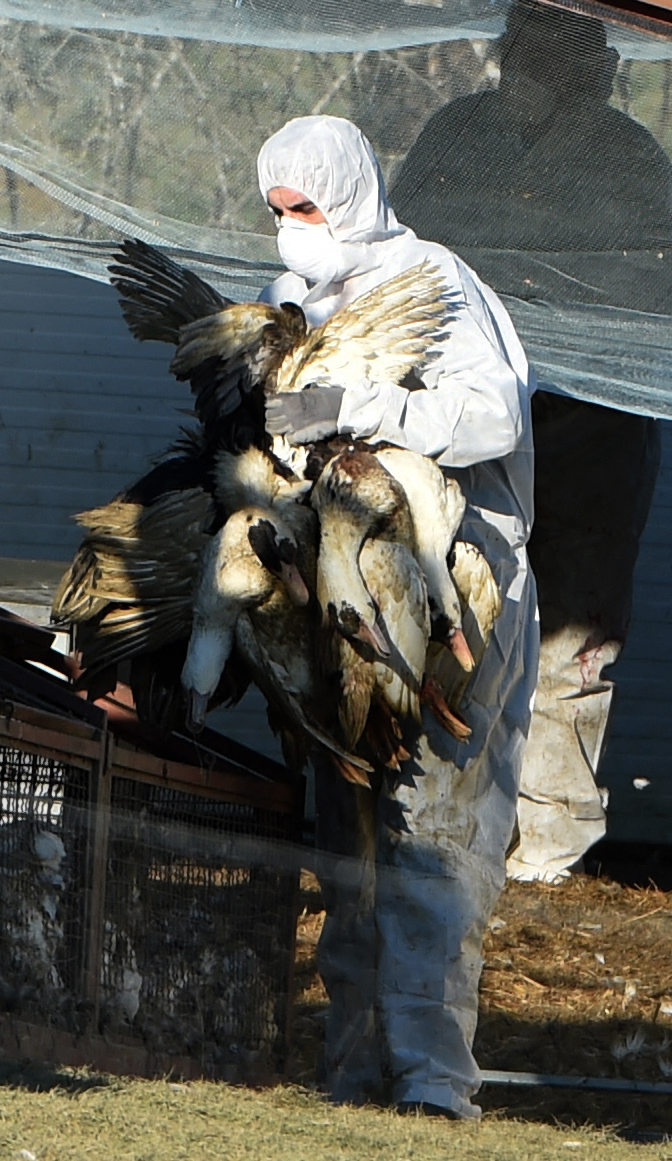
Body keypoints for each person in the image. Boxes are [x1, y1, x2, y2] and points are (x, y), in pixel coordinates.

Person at [257, 115, 538, 1119]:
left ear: (350, 195)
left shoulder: (434, 282)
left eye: (306, 207)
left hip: (457, 592)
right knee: (350, 842)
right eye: (277, 211)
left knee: (430, 836)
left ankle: (431, 1084)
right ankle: (353, 1074)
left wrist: (364, 407)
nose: (292, 228)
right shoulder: (291, 299)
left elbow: (494, 415)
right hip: (341, 605)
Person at [389, 0, 671, 883]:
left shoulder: (630, 162)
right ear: (509, 49)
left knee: (571, 648)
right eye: (533, 42)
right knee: (455, 626)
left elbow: (652, 297)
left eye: (565, 45)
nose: (543, 63)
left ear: (597, 62)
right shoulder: (458, 133)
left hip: (593, 440)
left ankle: (548, 861)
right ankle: (439, 841)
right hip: (467, 435)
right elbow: (401, 263)